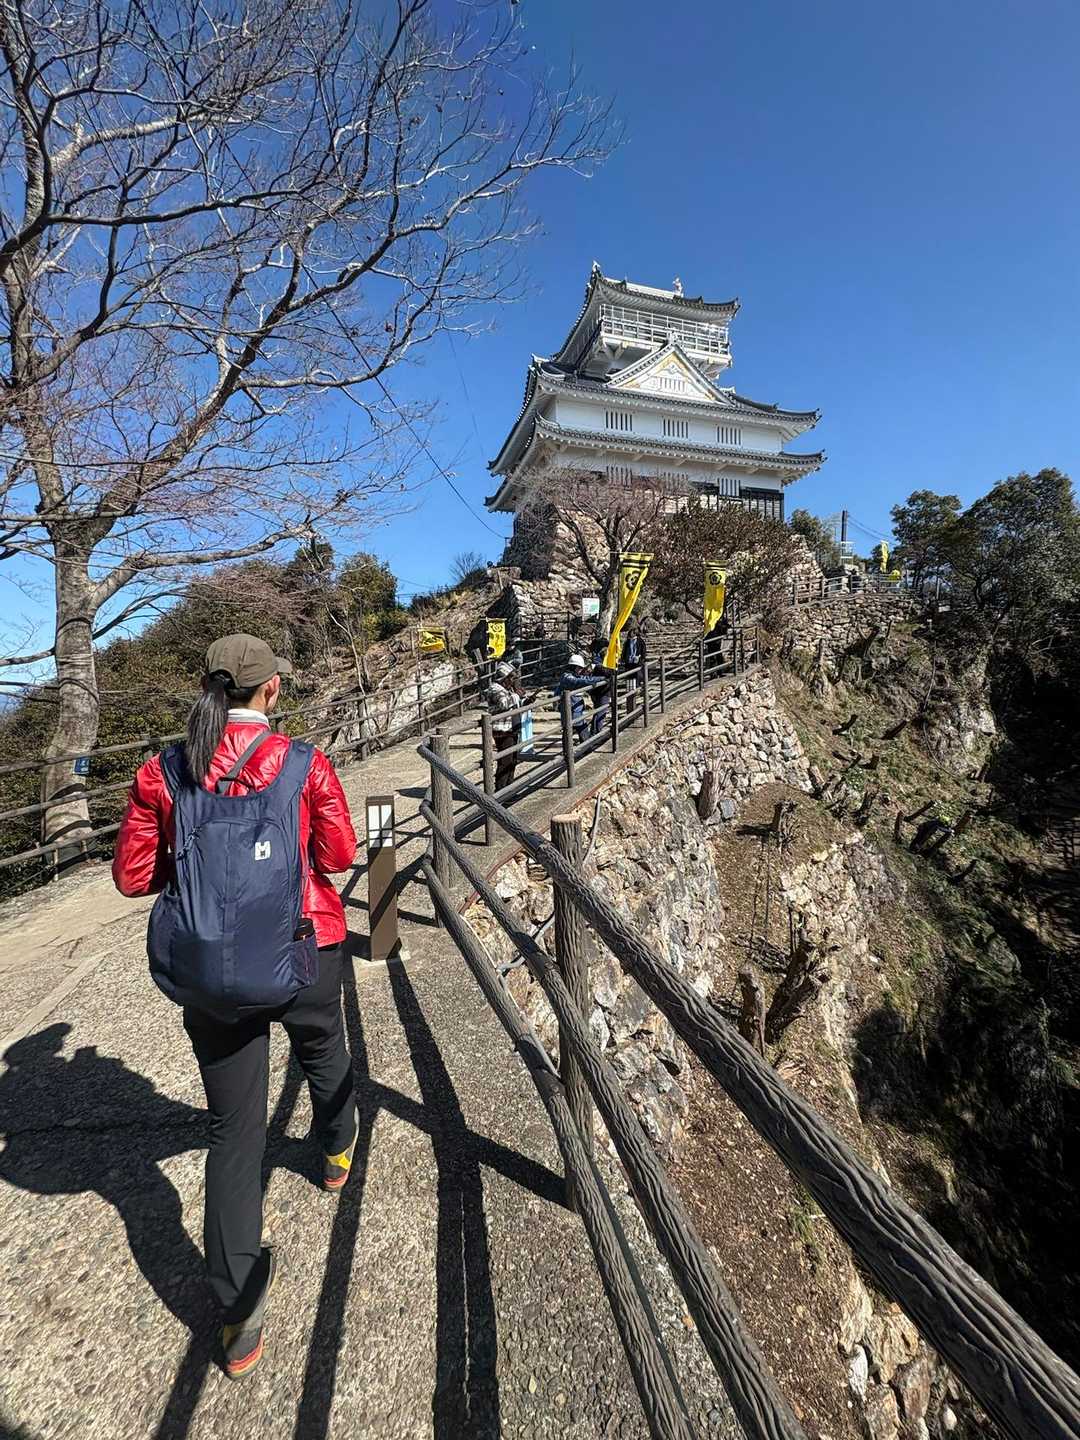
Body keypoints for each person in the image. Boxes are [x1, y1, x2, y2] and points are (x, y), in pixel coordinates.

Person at [112, 633, 358, 1381]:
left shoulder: (164, 770)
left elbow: (132, 877)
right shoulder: (305, 764)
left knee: (233, 1129)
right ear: (272, 689)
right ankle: (337, 1151)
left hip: (212, 971)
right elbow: (340, 857)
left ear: (208, 688)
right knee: (322, 1046)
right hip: (304, 945)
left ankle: (238, 1316)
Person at [553, 653, 606, 745]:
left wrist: (599, 678)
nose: (581, 670)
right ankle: (575, 750)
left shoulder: (573, 675)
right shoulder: (567, 678)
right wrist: (601, 678)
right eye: (580, 668)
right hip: (571, 710)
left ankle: (582, 748)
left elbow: (585, 678)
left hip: (576, 709)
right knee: (572, 730)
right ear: (574, 667)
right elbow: (581, 681)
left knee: (573, 730)